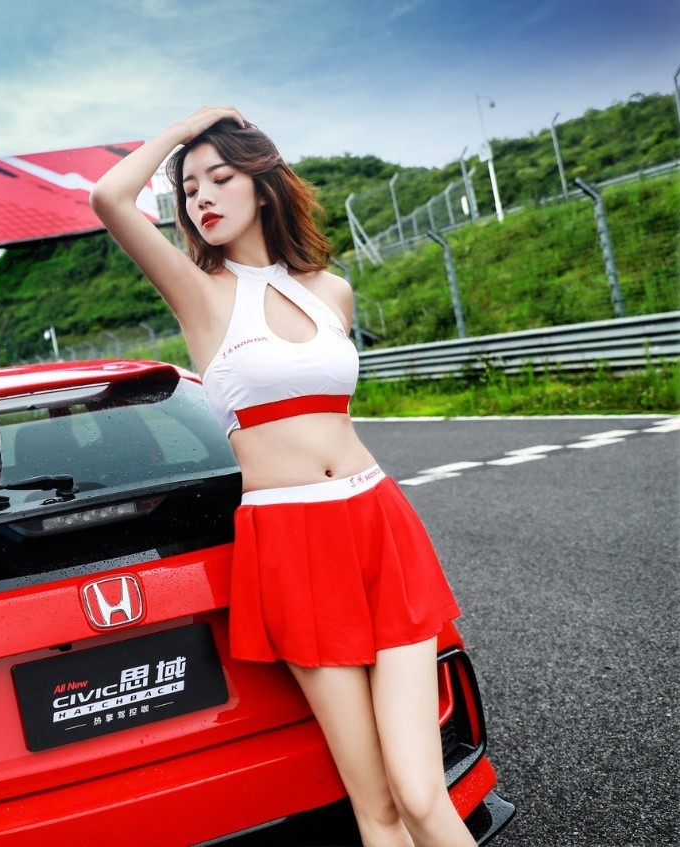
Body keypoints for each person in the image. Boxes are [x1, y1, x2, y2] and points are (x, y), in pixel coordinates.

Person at [89, 106, 475, 847]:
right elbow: (109, 197)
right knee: (378, 808)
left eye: (219, 178)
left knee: (424, 794)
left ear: (262, 184)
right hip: (292, 541)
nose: (202, 197)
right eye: (188, 189)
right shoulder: (199, 293)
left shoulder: (331, 292)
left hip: (376, 520)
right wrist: (186, 129)